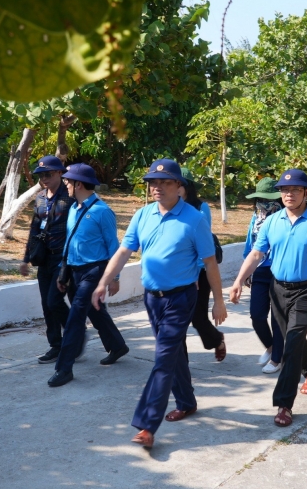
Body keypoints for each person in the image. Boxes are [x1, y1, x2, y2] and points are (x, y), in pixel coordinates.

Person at [93, 159, 225, 449]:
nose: (157, 187)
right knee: (173, 353)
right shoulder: (143, 215)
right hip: (152, 298)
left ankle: (147, 425)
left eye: (165, 182)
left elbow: (210, 263)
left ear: (180, 187)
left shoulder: (194, 219)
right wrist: (104, 281)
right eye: (153, 182)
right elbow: (125, 250)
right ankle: (187, 401)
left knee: (162, 359)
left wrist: (218, 301)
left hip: (181, 297)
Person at [231, 169, 307, 427]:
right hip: (278, 289)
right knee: (294, 339)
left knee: (291, 343)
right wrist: (238, 281)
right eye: (284, 190)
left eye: (294, 190)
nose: (288, 194)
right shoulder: (272, 221)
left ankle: (284, 404)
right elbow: (257, 254)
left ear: (306, 192)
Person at [46, 164, 130, 387]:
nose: (65, 185)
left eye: (68, 182)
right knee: (95, 310)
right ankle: (117, 345)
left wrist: (115, 277)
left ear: (78, 184)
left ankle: (64, 368)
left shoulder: (102, 212)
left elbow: (114, 247)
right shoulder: (75, 208)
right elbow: (70, 242)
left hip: (94, 271)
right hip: (74, 270)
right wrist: (63, 271)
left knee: (75, 317)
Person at [20, 155, 74, 364]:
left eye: (48, 174)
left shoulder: (69, 198)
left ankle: (74, 336)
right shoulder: (41, 197)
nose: (44, 179)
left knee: (55, 301)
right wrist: (26, 258)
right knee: (46, 304)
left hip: (62, 260)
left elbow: (74, 231)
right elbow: (34, 228)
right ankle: (56, 345)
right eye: (41, 175)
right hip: (44, 259)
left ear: (60, 173)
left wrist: (68, 263)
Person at [179, 169, 226, 362]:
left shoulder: (200, 208)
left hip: (200, 272)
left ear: (186, 187)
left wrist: (196, 273)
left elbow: (203, 244)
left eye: (178, 184)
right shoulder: (165, 209)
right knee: (177, 322)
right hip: (177, 272)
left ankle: (217, 340)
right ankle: (179, 364)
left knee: (198, 318)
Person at [242, 177, 285, 374]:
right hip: (259, 270)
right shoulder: (256, 216)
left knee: (277, 318)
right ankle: (271, 347)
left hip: (280, 272)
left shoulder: (284, 217)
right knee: (257, 315)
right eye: (261, 199)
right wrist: (245, 271)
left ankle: (277, 359)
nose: (266, 204)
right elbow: (250, 245)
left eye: (270, 200)